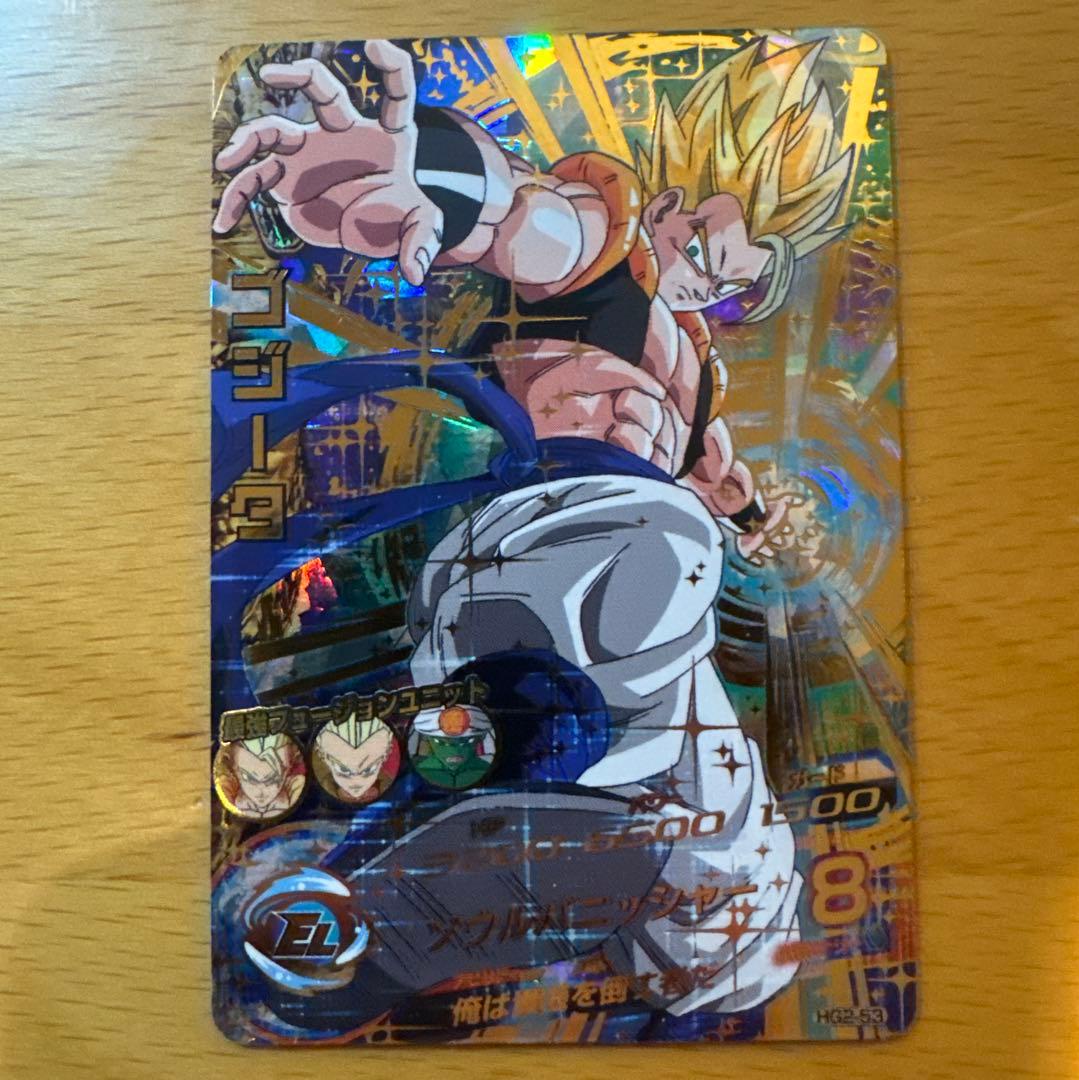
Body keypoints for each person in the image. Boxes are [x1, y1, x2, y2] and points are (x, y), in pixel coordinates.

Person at [213, 35, 852, 1015]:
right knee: (655, 564)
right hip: (557, 540)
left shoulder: (690, 367)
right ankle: (507, 770)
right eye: (706, 244)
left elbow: (713, 468)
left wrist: (754, 518)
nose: (711, 280)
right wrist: (424, 175)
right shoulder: (603, 255)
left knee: (736, 888)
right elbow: (523, 216)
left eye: (741, 278)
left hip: (609, 594)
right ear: (673, 202)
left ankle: (380, 917)